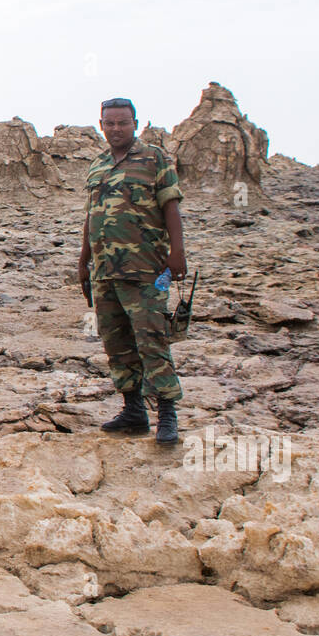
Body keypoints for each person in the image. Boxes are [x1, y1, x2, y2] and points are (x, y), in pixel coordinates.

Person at [78, 98, 186, 444]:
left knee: (152, 339)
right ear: (101, 125)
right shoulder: (97, 165)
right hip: (105, 270)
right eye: (109, 124)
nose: (116, 129)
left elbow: (170, 204)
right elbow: (90, 215)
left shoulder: (154, 158)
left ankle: (167, 414)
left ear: (135, 123)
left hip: (145, 268)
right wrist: (83, 260)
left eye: (122, 123)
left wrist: (177, 254)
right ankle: (133, 411)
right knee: (116, 342)